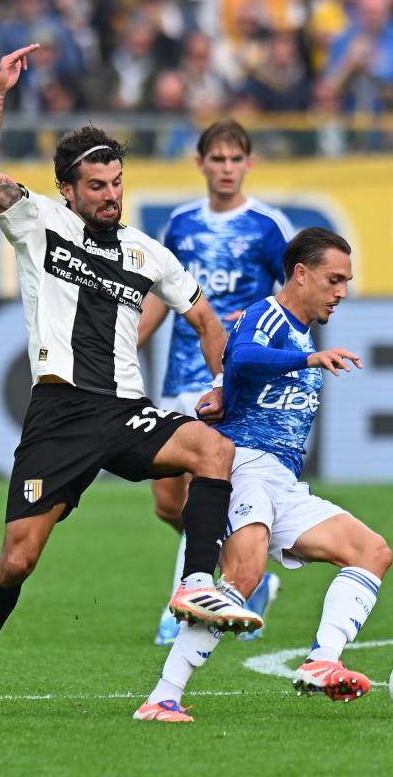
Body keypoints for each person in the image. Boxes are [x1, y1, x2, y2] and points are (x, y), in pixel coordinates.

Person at [0, 45, 262, 721]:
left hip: (125, 410)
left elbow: (204, 318)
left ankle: (196, 582)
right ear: (69, 190)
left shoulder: (147, 253)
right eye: (97, 186)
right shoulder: (39, 222)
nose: (110, 195)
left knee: (213, 450)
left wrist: (222, 381)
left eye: (117, 183)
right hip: (60, 414)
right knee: (18, 560)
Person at [139, 227, 393, 722]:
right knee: (243, 576)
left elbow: (234, 371)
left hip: (283, 483)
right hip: (244, 467)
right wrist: (307, 359)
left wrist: (225, 389)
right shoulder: (269, 315)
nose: (342, 291)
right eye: (334, 279)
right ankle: (162, 698)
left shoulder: (299, 332)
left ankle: (322, 662)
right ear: (301, 274)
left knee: (372, 551)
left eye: (346, 281)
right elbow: (244, 356)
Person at [138, 119, 292, 647]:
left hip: (230, 382)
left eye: (235, 159)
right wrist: (125, 342)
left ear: (249, 163)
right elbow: (164, 294)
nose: (227, 168)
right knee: (167, 503)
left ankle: (182, 602)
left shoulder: (268, 226)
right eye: (217, 159)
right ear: (200, 163)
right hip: (178, 373)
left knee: (197, 490)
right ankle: (250, 579)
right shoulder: (181, 224)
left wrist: (260, 337)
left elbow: (295, 295)